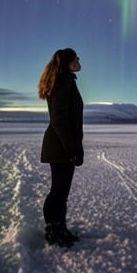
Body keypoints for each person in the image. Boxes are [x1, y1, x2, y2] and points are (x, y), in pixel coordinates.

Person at [38, 47, 84, 247]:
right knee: (58, 191)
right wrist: (72, 149)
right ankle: (53, 230)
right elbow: (59, 120)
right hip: (60, 145)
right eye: (76, 58)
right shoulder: (64, 82)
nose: (79, 61)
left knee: (61, 191)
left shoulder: (64, 80)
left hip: (62, 144)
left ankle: (59, 227)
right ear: (67, 62)